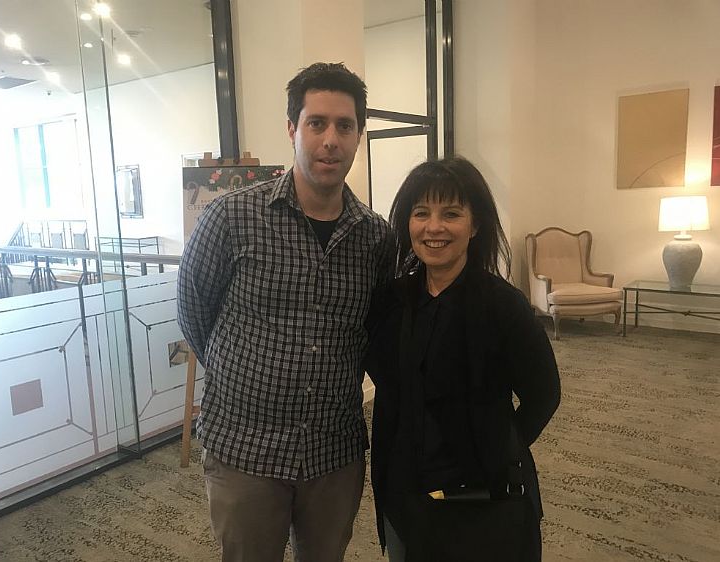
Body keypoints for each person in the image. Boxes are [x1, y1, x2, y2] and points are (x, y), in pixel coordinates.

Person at [176, 62, 392, 562]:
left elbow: (372, 329)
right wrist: (241, 373)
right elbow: (194, 311)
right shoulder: (231, 217)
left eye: (344, 126)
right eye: (317, 123)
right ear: (292, 129)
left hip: (333, 454)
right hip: (245, 451)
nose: (330, 140)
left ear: (359, 135)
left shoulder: (375, 237)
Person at [365, 156, 561, 561]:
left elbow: (544, 395)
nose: (434, 227)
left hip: (482, 498)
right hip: (404, 488)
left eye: (451, 214)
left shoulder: (503, 306)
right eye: (422, 213)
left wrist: (498, 447)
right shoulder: (390, 302)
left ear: (475, 225)